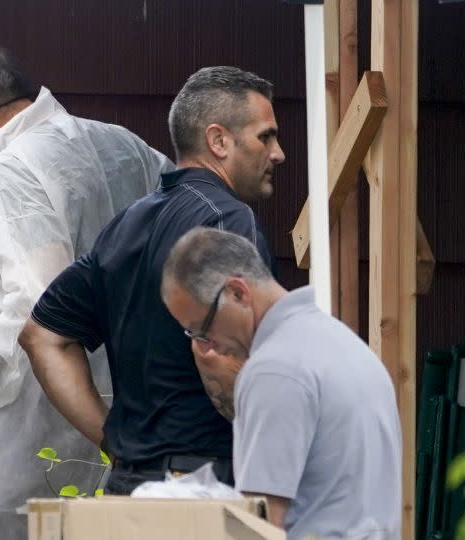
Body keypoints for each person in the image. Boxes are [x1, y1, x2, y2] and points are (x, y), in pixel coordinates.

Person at [0, 40, 173, 539]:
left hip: (42, 401)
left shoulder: (10, 173)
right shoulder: (122, 143)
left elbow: (36, 305)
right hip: (136, 394)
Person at [18, 66, 284, 494]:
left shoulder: (126, 224)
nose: (278, 153)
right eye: (265, 136)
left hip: (132, 486)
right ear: (218, 141)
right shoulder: (229, 221)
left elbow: (41, 335)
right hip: (208, 486)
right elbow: (244, 364)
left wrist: (112, 439)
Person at [160, 227, 402, 539]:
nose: (207, 346)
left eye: (202, 329)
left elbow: (260, 524)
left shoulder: (273, 371)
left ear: (238, 292)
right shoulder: (348, 345)